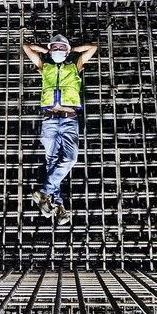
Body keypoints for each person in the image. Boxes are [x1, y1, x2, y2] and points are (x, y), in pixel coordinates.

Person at [22, 35, 99, 225]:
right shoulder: (44, 67)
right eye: (54, 46)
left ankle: (45, 192)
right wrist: (46, 51)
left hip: (69, 120)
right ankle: (57, 205)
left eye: (60, 46)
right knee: (52, 162)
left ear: (66, 49)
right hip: (49, 120)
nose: (57, 49)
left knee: (70, 159)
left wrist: (72, 50)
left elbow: (92, 48)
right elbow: (26, 47)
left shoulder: (75, 67)